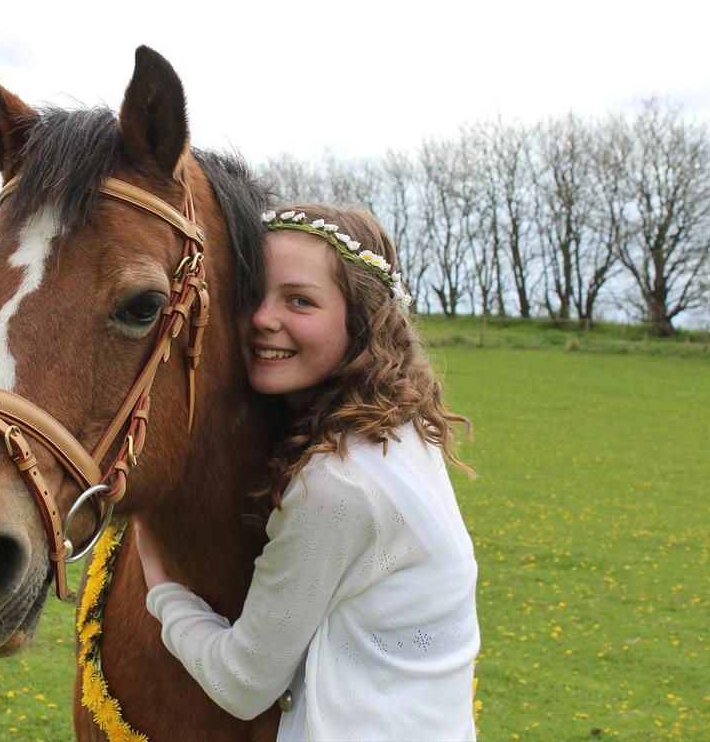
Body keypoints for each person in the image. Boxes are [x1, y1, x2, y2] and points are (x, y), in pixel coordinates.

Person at [135, 204, 480, 741]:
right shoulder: (401, 429)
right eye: (254, 296)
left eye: (300, 300)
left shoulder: (336, 483)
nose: (262, 319)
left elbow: (245, 682)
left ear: (362, 317)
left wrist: (161, 585)